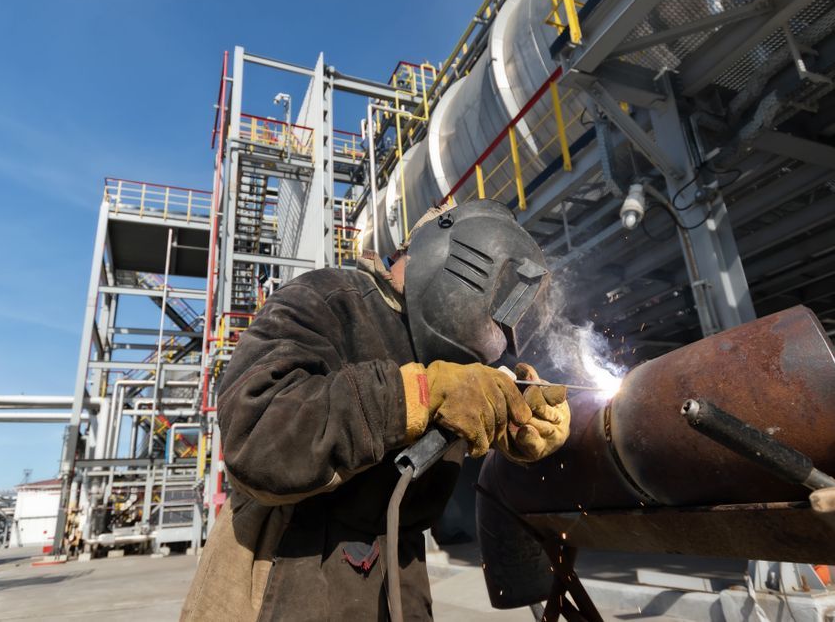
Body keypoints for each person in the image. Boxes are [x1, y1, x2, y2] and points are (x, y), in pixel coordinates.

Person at [181, 199, 570, 621]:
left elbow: (455, 439)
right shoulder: (331, 300)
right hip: (288, 575)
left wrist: (512, 421)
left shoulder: (453, 357)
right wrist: (415, 395)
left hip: (399, 582)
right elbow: (255, 434)